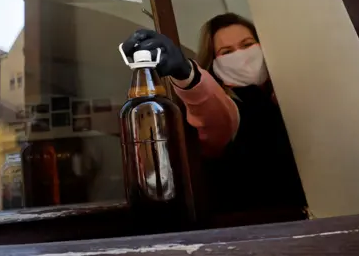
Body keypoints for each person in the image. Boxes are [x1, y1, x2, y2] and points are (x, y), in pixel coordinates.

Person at [122, 13, 307, 214]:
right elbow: (213, 114)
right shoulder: (230, 105)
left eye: (247, 45)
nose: (240, 55)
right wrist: (186, 74)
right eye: (227, 52)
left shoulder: (287, 92)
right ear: (214, 62)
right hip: (252, 223)